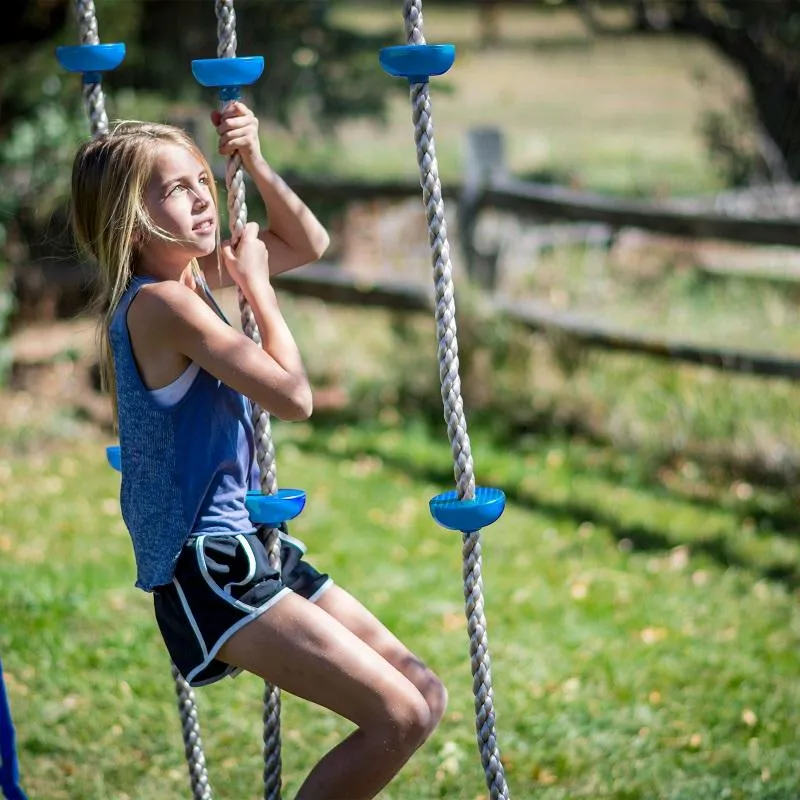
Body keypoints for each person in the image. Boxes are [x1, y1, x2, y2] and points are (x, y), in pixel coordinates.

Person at [69, 101, 447, 799]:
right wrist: (258, 291)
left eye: (201, 178)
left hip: (249, 549)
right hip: (206, 567)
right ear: (132, 215)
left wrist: (256, 163)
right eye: (174, 189)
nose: (201, 195)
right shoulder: (161, 304)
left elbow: (308, 242)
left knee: (423, 698)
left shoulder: (186, 279)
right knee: (394, 715)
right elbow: (293, 397)